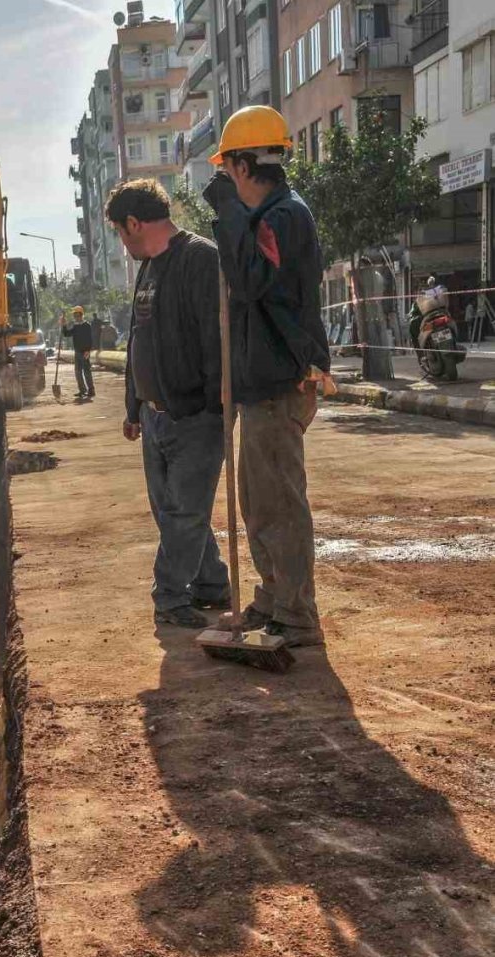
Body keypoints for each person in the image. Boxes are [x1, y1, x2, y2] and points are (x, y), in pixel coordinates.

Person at [204, 104, 331, 648]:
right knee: (258, 501)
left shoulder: (282, 217)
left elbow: (254, 281)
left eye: (227, 170)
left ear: (240, 166)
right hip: (262, 383)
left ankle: (296, 613)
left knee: (278, 502)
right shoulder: (267, 217)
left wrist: (229, 214)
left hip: (281, 383)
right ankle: (274, 599)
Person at [106, 177, 230, 628]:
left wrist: (217, 410)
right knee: (174, 513)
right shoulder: (149, 267)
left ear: (135, 223)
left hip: (194, 417)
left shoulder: (200, 260)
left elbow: (217, 341)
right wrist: (132, 405)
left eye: (121, 232)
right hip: (153, 417)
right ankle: (212, 584)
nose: (123, 243)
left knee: (183, 512)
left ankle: (171, 598)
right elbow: (140, 340)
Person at [61, 306, 96, 401]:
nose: (76, 317)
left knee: (87, 372)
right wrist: (64, 325)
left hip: (85, 352)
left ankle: (91, 390)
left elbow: (90, 340)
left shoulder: (87, 326)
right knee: (78, 372)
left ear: (81, 315)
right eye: (75, 315)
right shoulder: (75, 327)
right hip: (77, 352)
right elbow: (66, 334)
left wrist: (88, 351)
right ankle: (82, 390)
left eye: (77, 315)